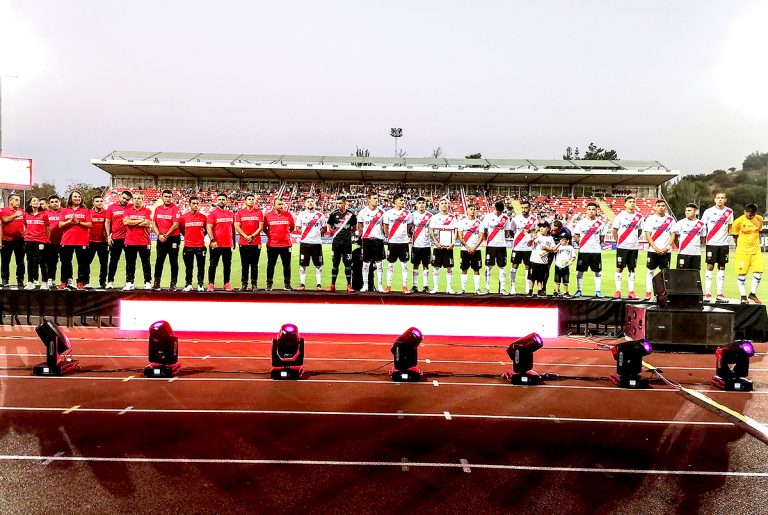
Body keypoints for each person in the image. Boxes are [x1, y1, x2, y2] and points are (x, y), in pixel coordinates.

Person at [701, 192, 733, 303]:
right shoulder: (708, 211)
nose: (720, 199)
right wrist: (703, 239)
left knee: (722, 267)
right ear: (714, 199)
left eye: (722, 198)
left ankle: (719, 294)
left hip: (724, 244)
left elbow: (729, 227)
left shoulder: (729, 212)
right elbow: (703, 226)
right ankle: (708, 293)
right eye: (718, 198)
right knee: (710, 266)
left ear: (725, 200)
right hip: (711, 243)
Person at [58, 191, 93, 290]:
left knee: (82, 263)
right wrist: (69, 221)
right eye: (75, 196)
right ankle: (65, 282)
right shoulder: (64, 210)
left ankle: (80, 282)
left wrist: (78, 222)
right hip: (67, 240)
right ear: (70, 198)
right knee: (65, 262)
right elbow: (60, 225)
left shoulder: (85, 210)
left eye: (79, 197)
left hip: (81, 241)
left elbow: (90, 224)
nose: (77, 198)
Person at [611, 196, 643, 299]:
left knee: (632, 268)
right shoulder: (620, 216)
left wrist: (633, 239)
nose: (632, 203)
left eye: (634, 202)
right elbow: (614, 231)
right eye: (630, 202)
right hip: (622, 247)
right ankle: (618, 291)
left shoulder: (639, 217)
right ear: (625, 204)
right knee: (619, 268)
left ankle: (631, 291)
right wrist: (619, 242)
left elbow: (639, 231)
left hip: (634, 247)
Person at [573, 202, 608, 298]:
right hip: (583, 251)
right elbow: (576, 235)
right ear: (586, 210)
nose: (591, 211)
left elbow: (602, 238)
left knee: (598, 272)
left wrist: (595, 245)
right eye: (589, 209)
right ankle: (579, 290)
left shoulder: (601, 224)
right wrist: (581, 244)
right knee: (580, 271)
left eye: (593, 209)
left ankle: (598, 291)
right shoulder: (580, 223)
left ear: (596, 211)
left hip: (596, 251)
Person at [643, 199, 675, 300]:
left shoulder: (670, 219)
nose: (661, 207)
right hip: (653, 250)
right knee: (650, 271)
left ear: (665, 207)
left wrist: (666, 247)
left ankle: (664, 293)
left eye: (663, 205)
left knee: (665, 273)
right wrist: (656, 248)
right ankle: (648, 292)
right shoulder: (650, 219)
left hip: (666, 251)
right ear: (655, 207)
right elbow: (648, 235)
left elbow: (673, 235)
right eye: (659, 205)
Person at [731, 204, 763, 304]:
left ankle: (752, 294)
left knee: (759, 272)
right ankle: (743, 296)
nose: (751, 216)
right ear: (745, 212)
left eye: (753, 215)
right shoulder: (738, 222)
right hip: (743, 252)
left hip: (756, 251)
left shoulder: (759, 219)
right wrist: (740, 245)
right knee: (742, 274)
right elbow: (735, 236)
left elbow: (758, 231)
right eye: (749, 215)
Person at [382, 193, 413, 293]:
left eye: (403, 200)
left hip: (404, 243)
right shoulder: (388, 213)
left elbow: (409, 227)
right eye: (401, 200)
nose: (403, 202)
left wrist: (405, 235)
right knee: (390, 265)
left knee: (404, 265)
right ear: (395, 201)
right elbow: (385, 227)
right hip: (392, 243)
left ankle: (404, 286)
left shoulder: (408, 214)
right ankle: (388, 286)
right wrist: (388, 237)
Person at [122, 192, 153, 291]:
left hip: (144, 241)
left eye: (139, 198)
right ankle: (129, 282)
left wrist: (132, 222)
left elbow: (146, 223)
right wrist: (140, 221)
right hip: (130, 241)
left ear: (142, 200)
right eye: (135, 198)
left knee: (146, 263)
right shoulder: (127, 210)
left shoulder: (147, 211)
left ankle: (147, 282)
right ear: (132, 200)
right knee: (130, 264)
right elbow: (125, 222)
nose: (137, 200)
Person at [482, 201, 515, 294]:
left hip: (502, 245)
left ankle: (502, 288)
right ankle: (487, 287)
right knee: (488, 266)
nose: (499, 213)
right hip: (491, 245)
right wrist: (485, 240)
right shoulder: (488, 216)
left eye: (500, 211)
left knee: (502, 266)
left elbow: (507, 231)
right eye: (497, 211)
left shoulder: (505, 218)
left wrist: (503, 238)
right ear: (494, 208)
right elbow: (485, 229)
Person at [152, 189, 181, 291]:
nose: (168, 198)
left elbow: (176, 224)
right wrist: (159, 235)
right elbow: (154, 223)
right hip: (161, 238)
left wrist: (165, 236)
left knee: (173, 261)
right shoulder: (158, 209)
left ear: (172, 198)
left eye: (169, 197)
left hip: (173, 239)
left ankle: (173, 284)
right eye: (166, 196)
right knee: (159, 260)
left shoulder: (175, 209)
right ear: (162, 197)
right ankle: (156, 283)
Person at [325, 195, 356, 292]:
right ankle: (332, 285)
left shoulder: (351, 215)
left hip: (347, 243)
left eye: (340, 203)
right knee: (335, 264)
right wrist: (332, 231)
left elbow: (354, 228)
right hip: (336, 243)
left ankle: (349, 285)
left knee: (348, 265)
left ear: (345, 203)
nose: (338, 205)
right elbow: (329, 224)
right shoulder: (333, 214)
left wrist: (347, 235)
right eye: (337, 203)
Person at [295, 196, 327, 291]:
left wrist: (317, 235)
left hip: (317, 243)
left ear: (315, 203)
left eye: (312, 201)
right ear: (305, 204)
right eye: (308, 201)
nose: (310, 203)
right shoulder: (301, 215)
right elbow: (298, 227)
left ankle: (319, 285)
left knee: (318, 265)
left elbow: (324, 228)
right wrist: (304, 235)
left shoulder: (320, 215)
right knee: (303, 266)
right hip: (305, 243)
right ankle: (302, 284)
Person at [263, 198, 295, 291]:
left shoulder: (288, 215)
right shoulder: (268, 216)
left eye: (282, 204)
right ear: (274, 205)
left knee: (287, 266)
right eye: (279, 204)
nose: (281, 206)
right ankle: (269, 284)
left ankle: (287, 284)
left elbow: (292, 227)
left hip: (286, 245)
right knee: (270, 265)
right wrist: (270, 236)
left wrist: (285, 235)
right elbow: (264, 228)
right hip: (272, 245)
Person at [206, 193, 236, 291]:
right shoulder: (213, 213)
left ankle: (226, 283)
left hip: (227, 244)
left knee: (227, 265)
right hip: (216, 244)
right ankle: (211, 284)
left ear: (226, 201)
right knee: (213, 265)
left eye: (223, 199)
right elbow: (209, 227)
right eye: (219, 199)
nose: (221, 201)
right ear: (216, 201)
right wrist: (212, 240)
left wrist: (234, 242)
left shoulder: (231, 214)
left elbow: (232, 229)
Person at [356, 193, 386, 292]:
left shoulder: (382, 212)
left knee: (379, 263)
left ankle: (380, 286)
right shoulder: (362, 212)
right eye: (374, 198)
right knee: (365, 263)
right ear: (369, 200)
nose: (376, 200)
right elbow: (360, 226)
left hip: (378, 240)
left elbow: (384, 226)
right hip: (366, 240)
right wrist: (365, 234)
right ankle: (365, 285)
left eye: (377, 198)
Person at [234, 193, 264, 291]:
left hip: (256, 242)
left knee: (254, 265)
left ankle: (254, 284)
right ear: (245, 201)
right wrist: (245, 236)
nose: (251, 200)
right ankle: (244, 284)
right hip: (243, 242)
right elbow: (237, 226)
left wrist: (252, 236)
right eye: (249, 199)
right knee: (244, 265)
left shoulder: (259, 212)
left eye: (252, 199)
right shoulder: (240, 213)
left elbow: (261, 227)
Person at [428, 198, 458, 294]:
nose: (444, 205)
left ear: (448, 205)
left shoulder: (452, 218)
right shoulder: (434, 217)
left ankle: (449, 288)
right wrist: (435, 242)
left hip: (448, 247)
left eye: (446, 203)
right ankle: (435, 287)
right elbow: (431, 231)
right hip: (438, 246)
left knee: (449, 268)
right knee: (435, 268)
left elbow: (456, 231)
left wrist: (453, 242)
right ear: (439, 205)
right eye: (442, 203)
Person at [105, 190, 132, 289]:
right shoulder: (111, 207)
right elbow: (107, 222)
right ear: (120, 196)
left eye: (127, 199)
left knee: (130, 261)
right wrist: (108, 236)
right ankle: (110, 281)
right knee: (113, 261)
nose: (125, 200)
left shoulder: (131, 207)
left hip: (129, 238)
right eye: (123, 198)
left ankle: (129, 282)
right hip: (116, 238)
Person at [510, 199, 537, 295]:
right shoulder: (516, 218)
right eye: (522, 208)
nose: (524, 209)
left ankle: (527, 288)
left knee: (528, 267)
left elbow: (536, 231)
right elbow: (512, 230)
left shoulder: (534, 219)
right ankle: (512, 287)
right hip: (517, 246)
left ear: (529, 208)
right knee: (514, 266)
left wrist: (532, 231)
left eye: (525, 208)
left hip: (528, 248)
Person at [180, 196, 207, 292]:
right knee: (189, 267)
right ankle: (188, 284)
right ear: (189, 204)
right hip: (188, 246)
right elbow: (182, 229)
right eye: (193, 203)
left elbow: (206, 230)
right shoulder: (183, 217)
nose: (195, 205)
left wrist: (200, 236)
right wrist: (188, 236)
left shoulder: (204, 217)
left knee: (201, 267)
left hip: (201, 246)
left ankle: (200, 284)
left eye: (197, 203)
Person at [457, 203, 485, 294]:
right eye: (471, 209)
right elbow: (460, 236)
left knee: (476, 269)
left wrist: (474, 248)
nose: (473, 211)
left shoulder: (480, 223)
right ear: (467, 211)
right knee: (464, 269)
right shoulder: (462, 222)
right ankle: (462, 289)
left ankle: (477, 289)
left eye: (474, 209)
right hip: (464, 249)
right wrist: (468, 247)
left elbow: (481, 237)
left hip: (476, 250)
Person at [22, 197, 49, 290]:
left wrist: (45, 239)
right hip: (29, 241)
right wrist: (26, 235)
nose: (36, 202)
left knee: (42, 261)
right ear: (30, 203)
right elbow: (25, 226)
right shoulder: (26, 215)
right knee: (30, 262)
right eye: (34, 200)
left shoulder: (44, 215)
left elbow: (47, 228)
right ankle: (30, 282)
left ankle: (44, 282)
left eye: (38, 201)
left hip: (41, 241)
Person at [0, 193, 26, 288]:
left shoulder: (22, 211)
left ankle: (20, 279)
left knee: (20, 261)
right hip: (6, 240)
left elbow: (26, 223)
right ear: (10, 201)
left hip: (19, 240)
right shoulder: (3, 210)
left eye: (19, 200)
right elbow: (5, 220)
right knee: (5, 261)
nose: (18, 202)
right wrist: (15, 215)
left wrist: (25, 234)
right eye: (16, 200)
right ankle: (5, 279)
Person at [410, 196, 433, 293]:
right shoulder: (412, 215)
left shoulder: (430, 216)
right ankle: (414, 286)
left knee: (426, 265)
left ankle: (425, 286)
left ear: (426, 204)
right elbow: (409, 228)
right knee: (415, 265)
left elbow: (432, 230)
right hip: (416, 245)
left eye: (423, 203)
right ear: (416, 205)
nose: (421, 205)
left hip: (426, 245)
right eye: (419, 203)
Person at [85, 195, 109, 288]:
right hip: (90, 241)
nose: (99, 203)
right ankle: (86, 281)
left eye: (101, 201)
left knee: (104, 263)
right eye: (97, 201)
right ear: (93, 202)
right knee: (87, 262)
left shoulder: (106, 212)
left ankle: (102, 282)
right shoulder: (88, 213)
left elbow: (109, 225)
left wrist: (108, 236)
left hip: (103, 242)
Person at [673, 203, 705, 271]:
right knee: (681, 274)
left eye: (689, 210)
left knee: (695, 274)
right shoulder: (680, 223)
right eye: (686, 210)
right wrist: (681, 247)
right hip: (683, 253)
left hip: (696, 253)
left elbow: (702, 238)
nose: (687, 212)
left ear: (696, 211)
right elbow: (675, 238)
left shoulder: (701, 224)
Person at [527, 222, 556, 296]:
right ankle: (530, 290)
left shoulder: (550, 238)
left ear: (548, 229)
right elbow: (528, 244)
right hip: (534, 259)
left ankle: (540, 290)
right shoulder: (536, 236)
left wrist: (546, 248)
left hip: (543, 261)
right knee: (532, 277)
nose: (541, 228)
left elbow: (553, 249)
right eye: (540, 227)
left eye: (543, 227)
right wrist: (532, 239)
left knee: (541, 277)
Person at [45, 195, 64, 289]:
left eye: (56, 201)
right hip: (50, 242)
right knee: (51, 262)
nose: (54, 203)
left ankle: (65, 281)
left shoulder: (65, 212)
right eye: (52, 202)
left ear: (60, 202)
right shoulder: (45, 213)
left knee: (65, 262)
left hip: (64, 241)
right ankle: (50, 279)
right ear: (49, 204)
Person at [553, 233, 575, 297]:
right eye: (561, 239)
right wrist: (559, 244)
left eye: (564, 239)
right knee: (557, 280)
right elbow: (553, 249)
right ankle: (556, 291)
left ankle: (565, 292)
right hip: (558, 265)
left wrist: (570, 261)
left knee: (565, 280)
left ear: (568, 240)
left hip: (565, 266)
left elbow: (573, 256)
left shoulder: (570, 247)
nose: (563, 240)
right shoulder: (558, 246)